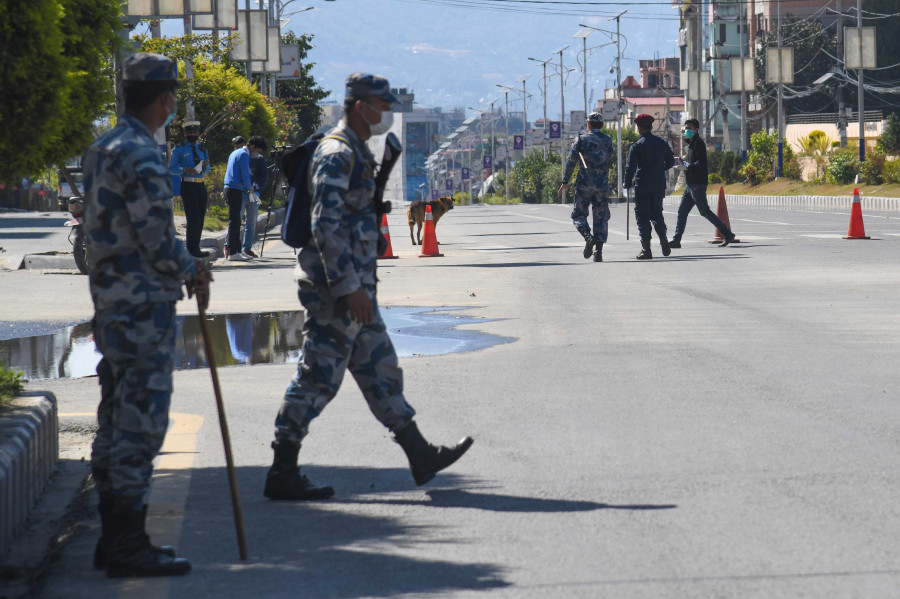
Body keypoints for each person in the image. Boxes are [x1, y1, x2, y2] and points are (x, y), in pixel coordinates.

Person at [263, 73, 474, 501]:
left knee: (380, 369)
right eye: (381, 108)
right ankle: (282, 469)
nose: (387, 116)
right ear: (360, 107)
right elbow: (325, 226)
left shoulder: (357, 151)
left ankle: (420, 454)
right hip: (335, 288)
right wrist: (347, 286)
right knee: (317, 376)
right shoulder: (337, 154)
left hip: (356, 285)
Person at [81, 52, 212, 578]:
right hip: (143, 306)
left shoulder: (102, 147)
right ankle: (128, 543)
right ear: (164, 99)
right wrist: (192, 267)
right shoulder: (143, 153)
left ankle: (112, 536)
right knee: (141, 422)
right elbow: (159, 239)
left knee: (114, 417)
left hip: (111, 302)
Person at [670, 118, 737, 248]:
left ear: (696, 130)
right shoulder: (691, 144)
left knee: (705, 212)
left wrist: (688, 165)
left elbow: (700, 163)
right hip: (690, 184)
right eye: (685, 128)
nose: (687, 131)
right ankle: (676, 240)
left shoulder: (698, 143)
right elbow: (691, 162)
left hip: (697, 184)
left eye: (690, 128)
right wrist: (682, 163)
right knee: (682, 212)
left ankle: (727, 234)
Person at [558, 112, 615, 262]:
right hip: (602, 183)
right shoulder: (607, 140)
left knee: (578, 215)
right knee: (601, 216)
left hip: (585, 183)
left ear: (588, 125)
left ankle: (588, 237)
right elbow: (610, 155)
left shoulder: (580, 140)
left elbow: (571, 161)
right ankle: (599, 252)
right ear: (601, 125)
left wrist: (565, 180)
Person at [623, 113, 675, 260]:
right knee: (657, 213)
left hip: (643, 186)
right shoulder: (662, 143)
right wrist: (659, 169)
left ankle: (647, 249)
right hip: (658, 185)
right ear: (651, 127)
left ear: (639, 128)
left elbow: (630, 168)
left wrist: (626, 183)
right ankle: (663, 239)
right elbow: (671, 162)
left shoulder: (637, 146)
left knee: (643, 217)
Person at [169, 120, 211, 257]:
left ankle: (196, 247)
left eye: (195, 132)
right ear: (186, 133)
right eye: (190, 132)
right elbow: (172, 168)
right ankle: (192, 249)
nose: (193, 134)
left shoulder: (202, 148)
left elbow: (208, 168)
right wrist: (184, 169)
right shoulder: (180, 148)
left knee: (200, 218)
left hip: (200, 184)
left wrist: (204, 167)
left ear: (199, 133)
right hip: (188, 184)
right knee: (193, 218)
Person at [223, 136, 254, 261]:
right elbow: (245, 174)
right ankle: (232, 252)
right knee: (234, 221)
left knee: (236, 221)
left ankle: (237, 250)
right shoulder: (243, 154)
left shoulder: (235, 152)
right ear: (252, 146)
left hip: (232, 188)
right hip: (235, 189)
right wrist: (250, 188)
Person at [241, 135, 269, 257]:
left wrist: (256, 188)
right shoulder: (241, 156)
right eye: (258, 150)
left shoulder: (260, 159)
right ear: (252, 146)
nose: (258, 153)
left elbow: (264, 177)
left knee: (251, 223)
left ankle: (246, 248)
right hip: (240, 192)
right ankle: (229, 246)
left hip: (254, 194)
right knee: (235, 221)